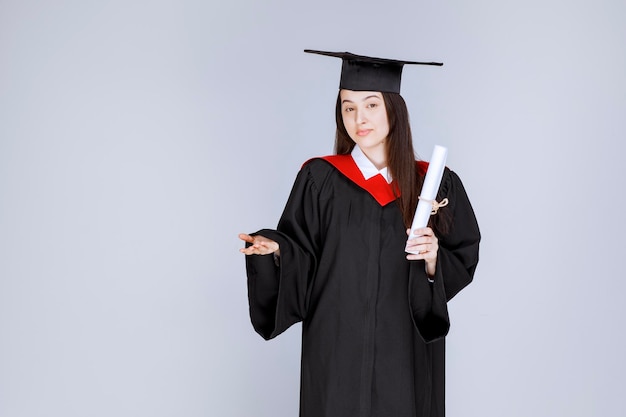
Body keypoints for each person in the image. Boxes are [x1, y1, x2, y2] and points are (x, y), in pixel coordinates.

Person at [238, 49, 480, 417]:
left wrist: (433, 259)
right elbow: (302, 254)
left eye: (370, 105)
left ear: (393, 110)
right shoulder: (320, 179)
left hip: (405, 347)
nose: (359, 118)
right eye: (348, 108)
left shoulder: (433, 184)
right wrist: (277, 252)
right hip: (337, 347)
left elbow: (462, 255)